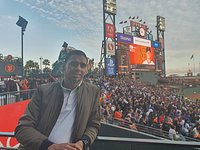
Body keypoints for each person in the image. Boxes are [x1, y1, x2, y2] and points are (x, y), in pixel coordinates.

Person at [15, 50, 101, 150]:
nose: (78, 68)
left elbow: (94, 124)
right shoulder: (43, 91)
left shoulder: (93, 92)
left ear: (86, 70)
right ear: (64, 66)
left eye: (82, 65)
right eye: (73, 64)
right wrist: (49, 146)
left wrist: (84, 142)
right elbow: (22, 129)